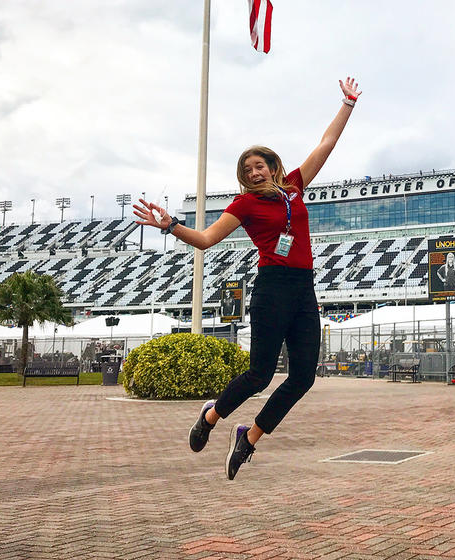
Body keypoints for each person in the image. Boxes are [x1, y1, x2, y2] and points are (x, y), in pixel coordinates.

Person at [132, 77, 362, 480]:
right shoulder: (245, 203)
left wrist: (347, 104)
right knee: (260, 375)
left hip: (304, 289)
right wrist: (171, 226)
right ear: (244, 177)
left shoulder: (293, 187)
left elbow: (325, 145)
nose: (254, 172)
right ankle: (212, 414)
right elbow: (205, 239)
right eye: (247, 168)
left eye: (260, 165)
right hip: (272, 289)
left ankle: (249, 437)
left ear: (273, 167)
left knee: (304, 376)